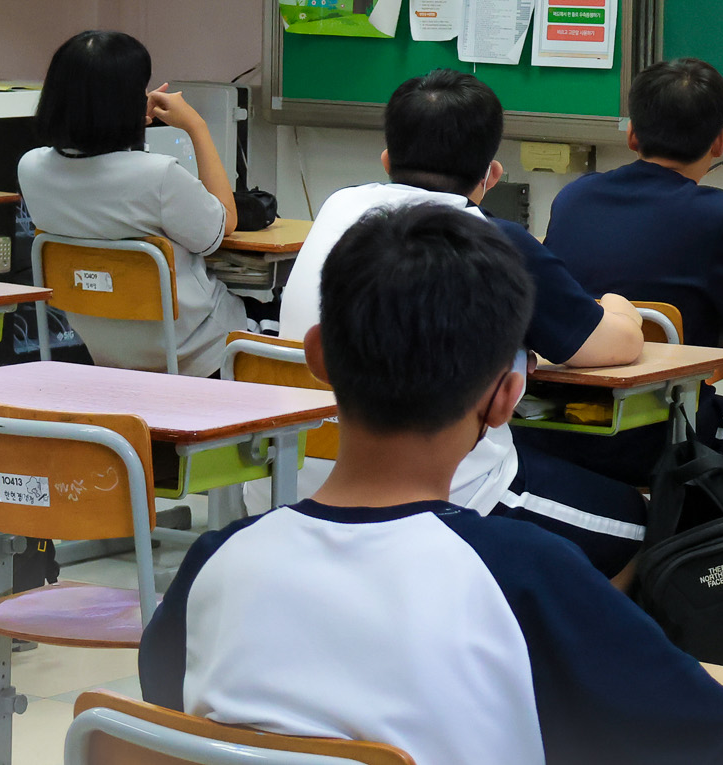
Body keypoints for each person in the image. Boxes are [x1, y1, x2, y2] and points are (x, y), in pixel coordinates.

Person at [140, 202, 723, 765]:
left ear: (315, 357)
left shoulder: (213, 564)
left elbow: (171, 717)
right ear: (505, 397)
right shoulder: (525, 574)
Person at [277, 70, 649, 577]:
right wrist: (620, 306)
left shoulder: (339, 208)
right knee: (643, 525)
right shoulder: (490, 242)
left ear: (386, 161)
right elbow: (612, 344)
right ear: (490, 176)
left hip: (288, 477)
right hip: (448, 491)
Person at [543, 57, 723, 495]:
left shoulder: (573, 198)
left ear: (631, 135)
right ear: (720, 142)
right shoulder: (715, 215)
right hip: (662, 432)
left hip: (561, 422)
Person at [18, 31, 244, 377]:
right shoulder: (159, 176)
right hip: (198, 354)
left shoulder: (31, 168)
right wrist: (196, 126)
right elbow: (223, 223)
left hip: (108, 357)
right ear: (122, 101)